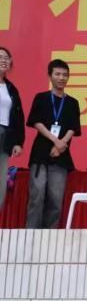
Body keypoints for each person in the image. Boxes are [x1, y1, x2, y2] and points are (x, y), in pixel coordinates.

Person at [25, 59, 81, 229]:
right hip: (40, 154)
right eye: (57, 74)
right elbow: (36, 122)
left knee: (56, 200)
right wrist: (55, 141)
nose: (61, 78)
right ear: (50, 76)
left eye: (65, 75)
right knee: (37, 196)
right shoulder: (41, 98)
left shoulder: (72, 102)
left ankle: (50, 238)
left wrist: (61, 144)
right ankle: (31, 235)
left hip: (61, 156)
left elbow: (73, 127)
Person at [0, 46, 25, 213]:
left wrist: (18, 142)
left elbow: (18, 117)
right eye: (0, 57)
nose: (3, 60)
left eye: (6, 57)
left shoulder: (11, 89)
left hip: (5, 136)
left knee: (1, 181)